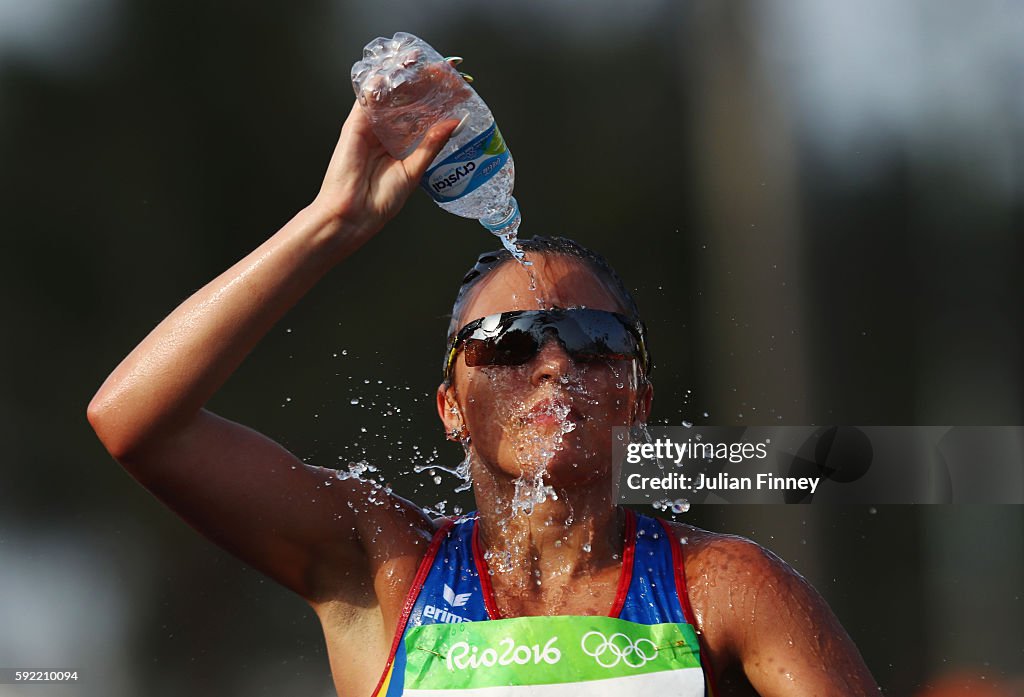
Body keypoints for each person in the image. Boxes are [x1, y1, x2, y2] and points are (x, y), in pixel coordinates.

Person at [87, 97, 880, 696]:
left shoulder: (722, 587)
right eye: (508, 341)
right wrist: (330, 223)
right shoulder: (383, 567)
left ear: (638, 402)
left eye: (596, 342)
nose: (553, 365)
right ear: (451, 407)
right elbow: (136, 421)